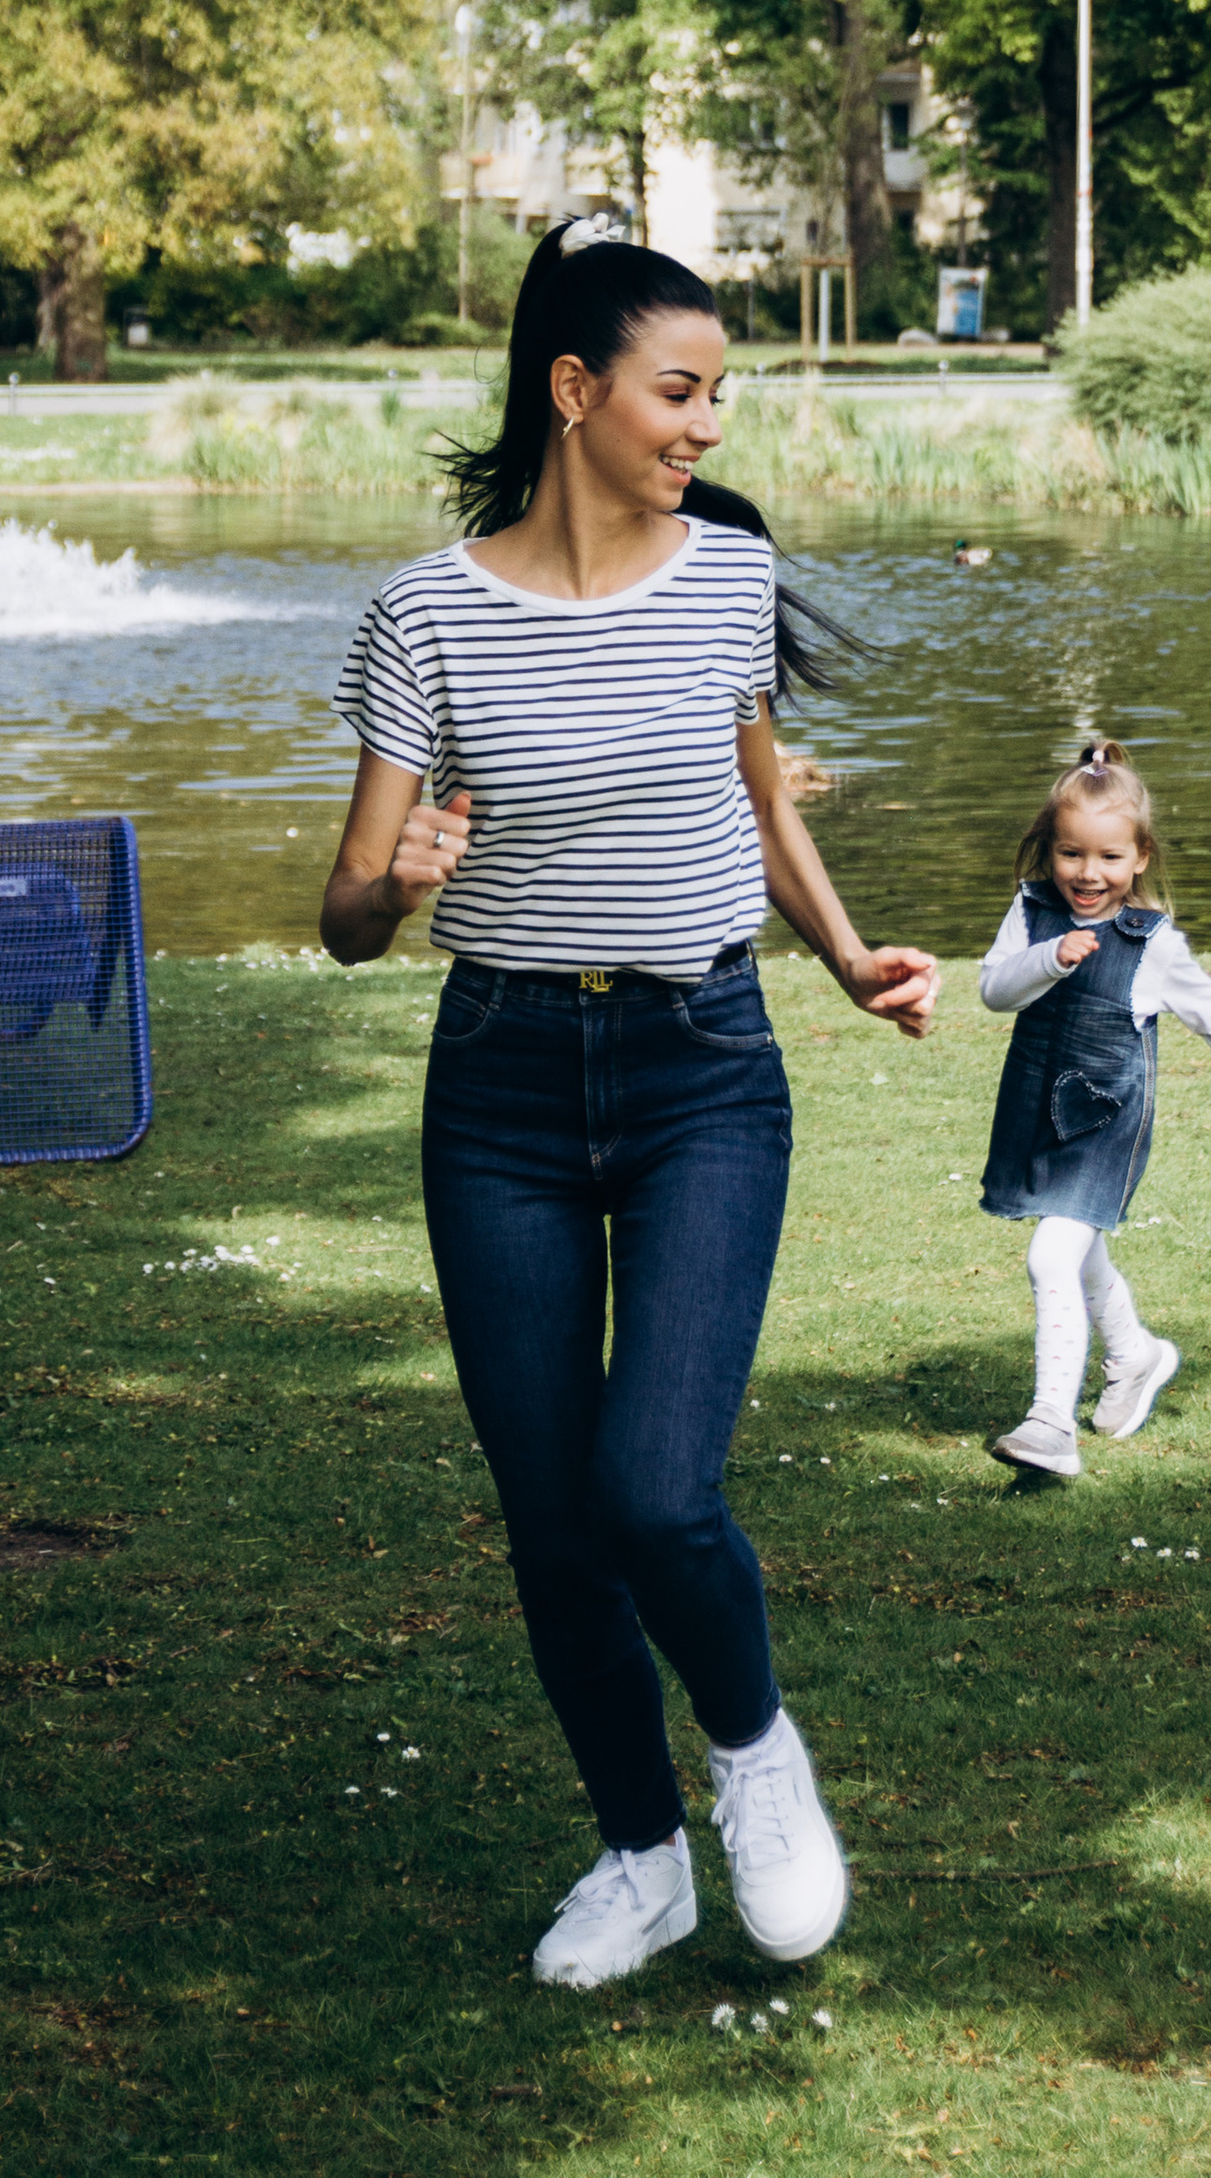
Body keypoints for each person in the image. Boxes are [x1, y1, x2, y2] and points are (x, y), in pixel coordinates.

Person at [319, 217, 940, 1990]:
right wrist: (406, 872)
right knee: (552, 1515)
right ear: (574, 390)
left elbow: (760, 805)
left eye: (717, 394)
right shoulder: (423, 617)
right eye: (683, 391)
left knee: (657, 1490)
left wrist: (837, 957)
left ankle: (754, 1759)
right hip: (501, 1089)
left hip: (700, 1075)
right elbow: (347, 920)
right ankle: (640, 1854)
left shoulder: (727, 575)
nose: (707, 426)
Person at [975, 742, 1211, 1477]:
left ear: (1139, 858)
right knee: (1081, 1252)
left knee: (1051, 1255)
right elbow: (993, 991)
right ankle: (1136, 1355)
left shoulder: (1155, 945)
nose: (1087, 873)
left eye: (1108, 857)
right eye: (1071, 854)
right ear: (1051, 851)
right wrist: (1051, 958)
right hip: (1036, 1105)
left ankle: (1050, 1425)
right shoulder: (1032, 909)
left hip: (1105, 1123)